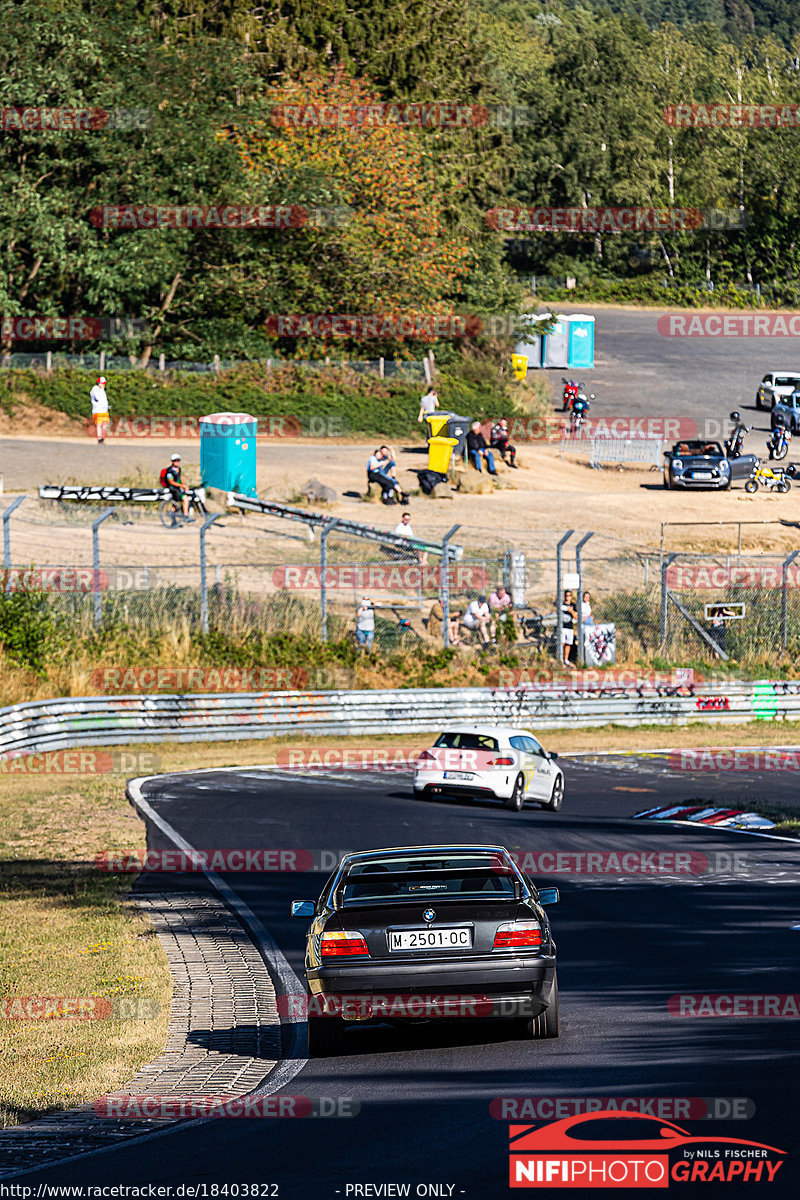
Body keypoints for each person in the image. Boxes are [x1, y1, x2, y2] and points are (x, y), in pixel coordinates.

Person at [163, 453, 194, 522]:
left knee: (174, 504)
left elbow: (180, 477)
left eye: (178, 461)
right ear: (172, 461)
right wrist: (182, 486)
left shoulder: (178, 469)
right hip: (173, 489)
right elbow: (171, 482)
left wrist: (184, 485)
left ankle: (173, 519)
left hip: (178, 489)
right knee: (185, 499)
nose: (176, 462)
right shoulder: (169, 471)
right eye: (175, 461)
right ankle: (185, 516)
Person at [90, 375, 109, 444]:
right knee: (99, 425)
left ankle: (102, 438)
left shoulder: (102, 390)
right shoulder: (95, 389)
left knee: (105, 425)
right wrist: (101, 390)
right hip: (98, 410)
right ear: (99, 383)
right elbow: (98, 398)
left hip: (104, 410)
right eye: (102, 383)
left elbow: (105, 400)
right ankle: (100, 439)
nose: (104, 384)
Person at [561, 589, 578, 666]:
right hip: (562, 627)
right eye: (566, 595)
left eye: (569, 595)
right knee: (562, 643)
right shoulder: (561, 605)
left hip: (570, 627)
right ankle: (560, 658)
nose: (568, 597)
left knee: (568, 643)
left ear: (571, 596)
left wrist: (571, 611)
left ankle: (566, 659)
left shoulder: (573, 605)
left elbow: (576, 617)